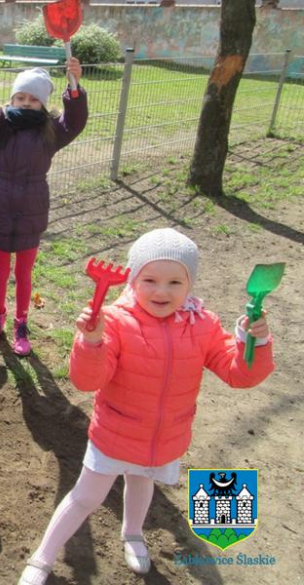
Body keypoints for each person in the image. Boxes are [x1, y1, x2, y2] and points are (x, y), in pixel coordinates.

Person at [18, 228, 276, 585]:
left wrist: (254, 341)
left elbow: (239, 375)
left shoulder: (203, 325)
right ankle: (42, 558)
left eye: (174, 282)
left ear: (190, 285)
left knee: (142, 483)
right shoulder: (117, 321)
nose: (161, 291)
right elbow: (88, 381)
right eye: (150, 279)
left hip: (166, 437)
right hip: (115, 434)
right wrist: (91, 341)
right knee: (86, 497)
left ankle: (133, 534)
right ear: (133, 279)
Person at [0, 51, 88, 356]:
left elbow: (75, 121)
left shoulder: (51, 133)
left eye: (33, 100)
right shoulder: (0, 127)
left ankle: (21, 323)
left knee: (24, 274)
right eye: (20, 98)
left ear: (43, 104)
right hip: (1, 209)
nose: (26, 103)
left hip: (32, 211)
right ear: (12, 100)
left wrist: (75, 90)